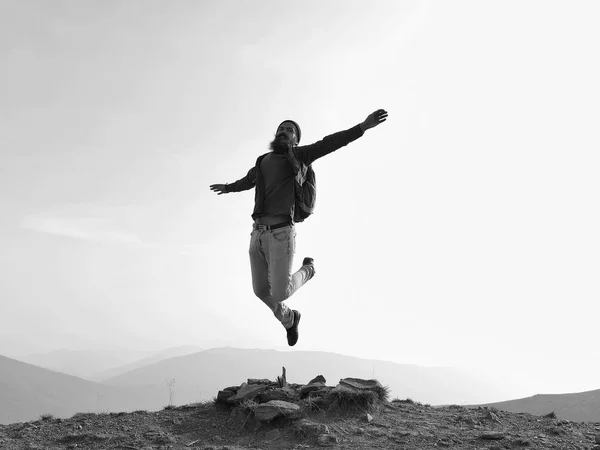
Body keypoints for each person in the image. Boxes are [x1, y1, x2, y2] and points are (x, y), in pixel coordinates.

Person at [210, 109, 388, 346]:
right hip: (257, 234)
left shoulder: (299, 156)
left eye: (290, 130)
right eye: (281, 129)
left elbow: (330, 143)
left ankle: (308, 270)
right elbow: (248, 180)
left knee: (281, 293)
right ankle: (289, 319)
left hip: (282, 233)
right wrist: (228, 187)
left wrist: (362, 127)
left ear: (296, 140)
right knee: (260, 290)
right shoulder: (263, 161)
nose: (284, 132)